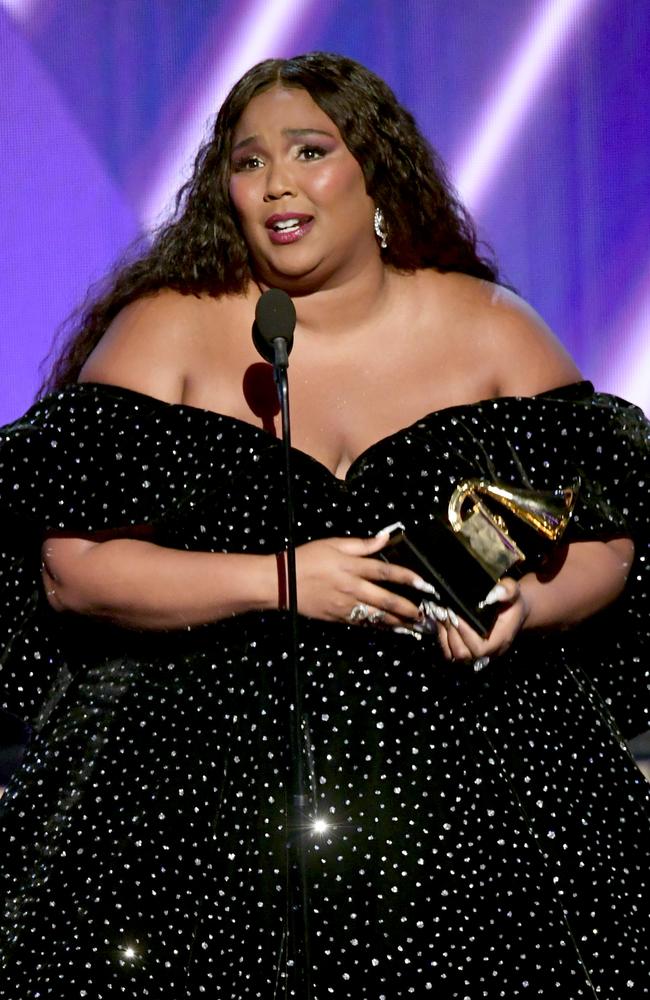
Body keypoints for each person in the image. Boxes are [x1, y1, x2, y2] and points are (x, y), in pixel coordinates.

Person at [0, 51, 648, 998]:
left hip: (479, 811)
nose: (277, 185)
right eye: (248, 160)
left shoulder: (492, 327)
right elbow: (77, 569)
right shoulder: (166, 330)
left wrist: (524, 612)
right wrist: (280, 580)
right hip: (188, 819)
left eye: (310, 150)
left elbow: (607, 540)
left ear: (375, 173)